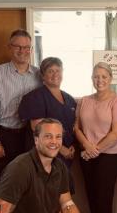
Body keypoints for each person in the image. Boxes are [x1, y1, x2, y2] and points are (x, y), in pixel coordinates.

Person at [0, 29, 40, 195]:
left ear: (31, 49)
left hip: (30, 136)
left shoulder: (39, 75)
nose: (22, 51)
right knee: (3, 181)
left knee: (29, 180)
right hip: (4, 135)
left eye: (26, 47)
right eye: (17, 46)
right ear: (9, 47)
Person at [0, 118, 79, 213]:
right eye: (48, 136)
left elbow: (67, 204)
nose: (54, 141)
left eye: (58, 137)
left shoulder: (60, 166)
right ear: (36, 140)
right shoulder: (19, 168)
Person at [74, 62, 117, 213]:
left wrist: (93, 150)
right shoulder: (84, 100)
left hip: (109, 157)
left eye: (104, 76)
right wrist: (87, 146)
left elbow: (116, 133)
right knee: (91, 196)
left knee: (103, 199)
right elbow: (76, 128)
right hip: (87, 155)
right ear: (91, 79)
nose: (100, 80)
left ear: (110, 78)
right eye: (96, 76)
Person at [18, 57, 76, 191]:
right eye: (50, 71)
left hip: (66, 156)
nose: (55, 74)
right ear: (43, 75)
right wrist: (62, 149)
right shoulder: (35, 97)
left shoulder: (69, 99)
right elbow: (38, 128)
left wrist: (72, 147)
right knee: (46, 194)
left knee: (62, 194)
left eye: (58, 70)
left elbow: (72, 125)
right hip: (45, 157)